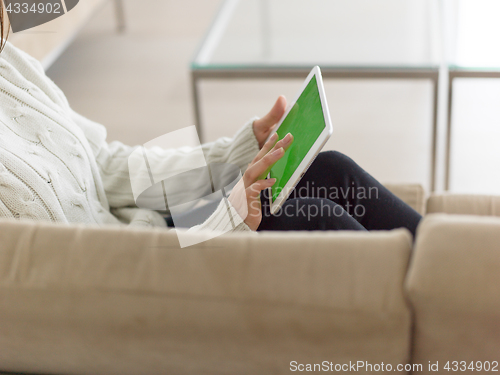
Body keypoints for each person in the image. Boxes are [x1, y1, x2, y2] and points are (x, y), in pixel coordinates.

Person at [0, 7, 421, 236]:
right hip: (141, 276)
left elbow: (109, 167)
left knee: (330, 169)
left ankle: (464, 271)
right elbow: (80, 283)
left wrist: (235, 155)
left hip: (148, 233)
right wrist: (227, 223)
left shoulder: (10, 65)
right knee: (318, 216)